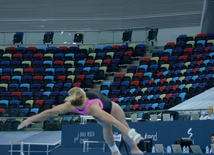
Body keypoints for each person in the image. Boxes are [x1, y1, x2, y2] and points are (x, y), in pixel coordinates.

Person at [18, 87, 144, 155]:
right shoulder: (92, 107)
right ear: (84, 97)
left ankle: (122, 149)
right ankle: (127, 149)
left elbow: (48, 112)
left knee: (108, 125)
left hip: (105, 109)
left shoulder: (70, 106)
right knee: (113, 124)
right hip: (105, 109)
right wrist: (132, 133)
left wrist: (29, 120)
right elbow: (117, 123)